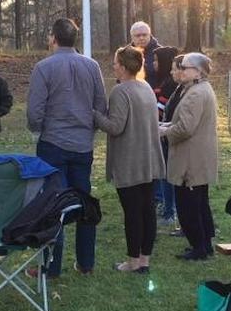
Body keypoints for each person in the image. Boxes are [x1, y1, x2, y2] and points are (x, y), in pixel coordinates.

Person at [27, 17, 106, 276]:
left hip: (53, 143)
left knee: (52, 203)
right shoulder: (92, 66)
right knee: (84, 202)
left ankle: (51, 266)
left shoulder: (44, 67)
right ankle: (86, 263)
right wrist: (87, 127)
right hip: (82, 145)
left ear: (53, 38)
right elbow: (100, 106)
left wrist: (38, 127)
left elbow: (34, 111)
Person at [93, 46, 165, 273]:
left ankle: (133, 261)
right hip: (149, 159)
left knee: (133, 213)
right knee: (147, 211)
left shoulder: (121, 91)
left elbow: (115, 127)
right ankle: (144, 259)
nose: (113, 66)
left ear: (123, 66)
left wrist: (94, 114)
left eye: (115, 62)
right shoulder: (145, 88)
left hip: (130, 162)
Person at [160, 52, 218, 261]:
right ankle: (204, 245)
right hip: (198, 156)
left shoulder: (195, 93)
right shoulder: (199, 89)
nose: (181, 71)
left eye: (185, 67)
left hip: (191, 159)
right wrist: (167, 125)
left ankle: (199, 247)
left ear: (198, 71)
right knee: (200, 203)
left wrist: (164, 132)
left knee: (189, 205)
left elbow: (185, 128)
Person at [150, 45, 179, 227]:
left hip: (165, 133)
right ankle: (167, 208)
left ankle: (170, 211)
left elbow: (161, 109)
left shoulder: (170, 84)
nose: (153, 64)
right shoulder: (163, 81)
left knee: (167, 176)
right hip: (162, 131)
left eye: (156, 60)